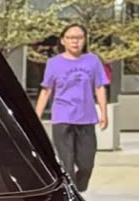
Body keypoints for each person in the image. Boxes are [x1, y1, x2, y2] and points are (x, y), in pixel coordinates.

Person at [35, 22, 111, 190]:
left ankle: (78, 189)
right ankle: (71, 195)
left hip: (86, 118)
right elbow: (46, 90)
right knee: (67, 164)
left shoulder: (93, 61)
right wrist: (36, 117)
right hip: (62, 118)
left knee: (86, 165)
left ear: (85, 40)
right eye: (70, 37)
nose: (75, 41)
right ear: (63, 41)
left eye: (79, 37)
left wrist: (104, 113)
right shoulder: (54, 63)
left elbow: (99, 87)